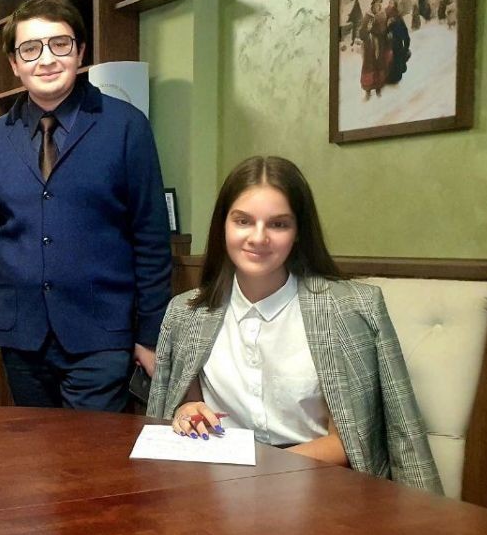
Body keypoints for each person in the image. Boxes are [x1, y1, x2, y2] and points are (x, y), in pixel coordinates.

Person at [0, 0, 172, 412]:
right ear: (15, 63)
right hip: (23, 341)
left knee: (89, 451)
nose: (46, 59)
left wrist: (151, 336)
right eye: (30, 49)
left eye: (59, 44)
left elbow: (151, 240)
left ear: (80, 51)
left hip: (101, 338)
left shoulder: (125, 126)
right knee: (34, 450)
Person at [146, 155, 442, 493]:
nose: (258, 238)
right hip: (217, 490)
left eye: (278, 224)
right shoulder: (186, 313)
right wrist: (186, 413)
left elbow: (352, 441)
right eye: (243, 221)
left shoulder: (352, 309)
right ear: (223, 226)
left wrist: (258, 468)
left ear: (298, 232)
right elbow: (181, 409)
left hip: (321, 488)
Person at [359, 0, 388, 100]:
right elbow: (361, 33)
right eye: (376, 2)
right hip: (369, 46)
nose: (378, 4)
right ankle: (367, 91)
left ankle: (378, 89)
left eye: (380, 2)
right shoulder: (367, 16)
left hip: (379, 45)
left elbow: (385, 30)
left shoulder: (383, 15)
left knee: (379, 66)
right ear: (373, 3)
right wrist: (367, 29)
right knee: (369, 67)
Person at [385, 0, 411, 84]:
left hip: (397, 44)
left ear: (395, 6)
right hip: (388, 44)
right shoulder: (386, 16)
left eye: (392, 4)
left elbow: (404, 32)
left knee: (397, 61)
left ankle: (395, 77)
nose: (390, 5)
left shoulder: (398, 18)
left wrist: (406, 46)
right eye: (389, 3)